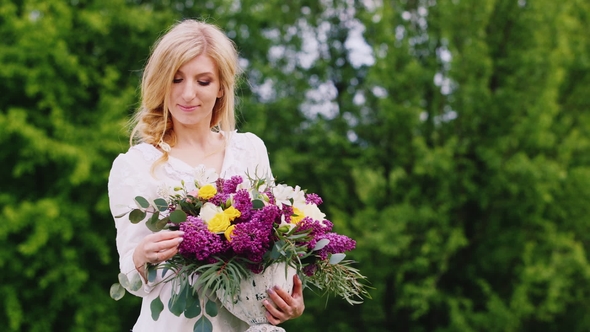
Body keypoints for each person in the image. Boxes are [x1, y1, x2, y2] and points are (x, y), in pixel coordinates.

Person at [108, 19, 305, 331]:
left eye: (203, 81)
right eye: (176, 79)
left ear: (221, 88)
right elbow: (130, 279)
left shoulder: (250, 150)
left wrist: (291, 298)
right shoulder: (134, 165)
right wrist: (142, 256)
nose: (188, 94)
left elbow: (273, 250)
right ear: (160, 82)